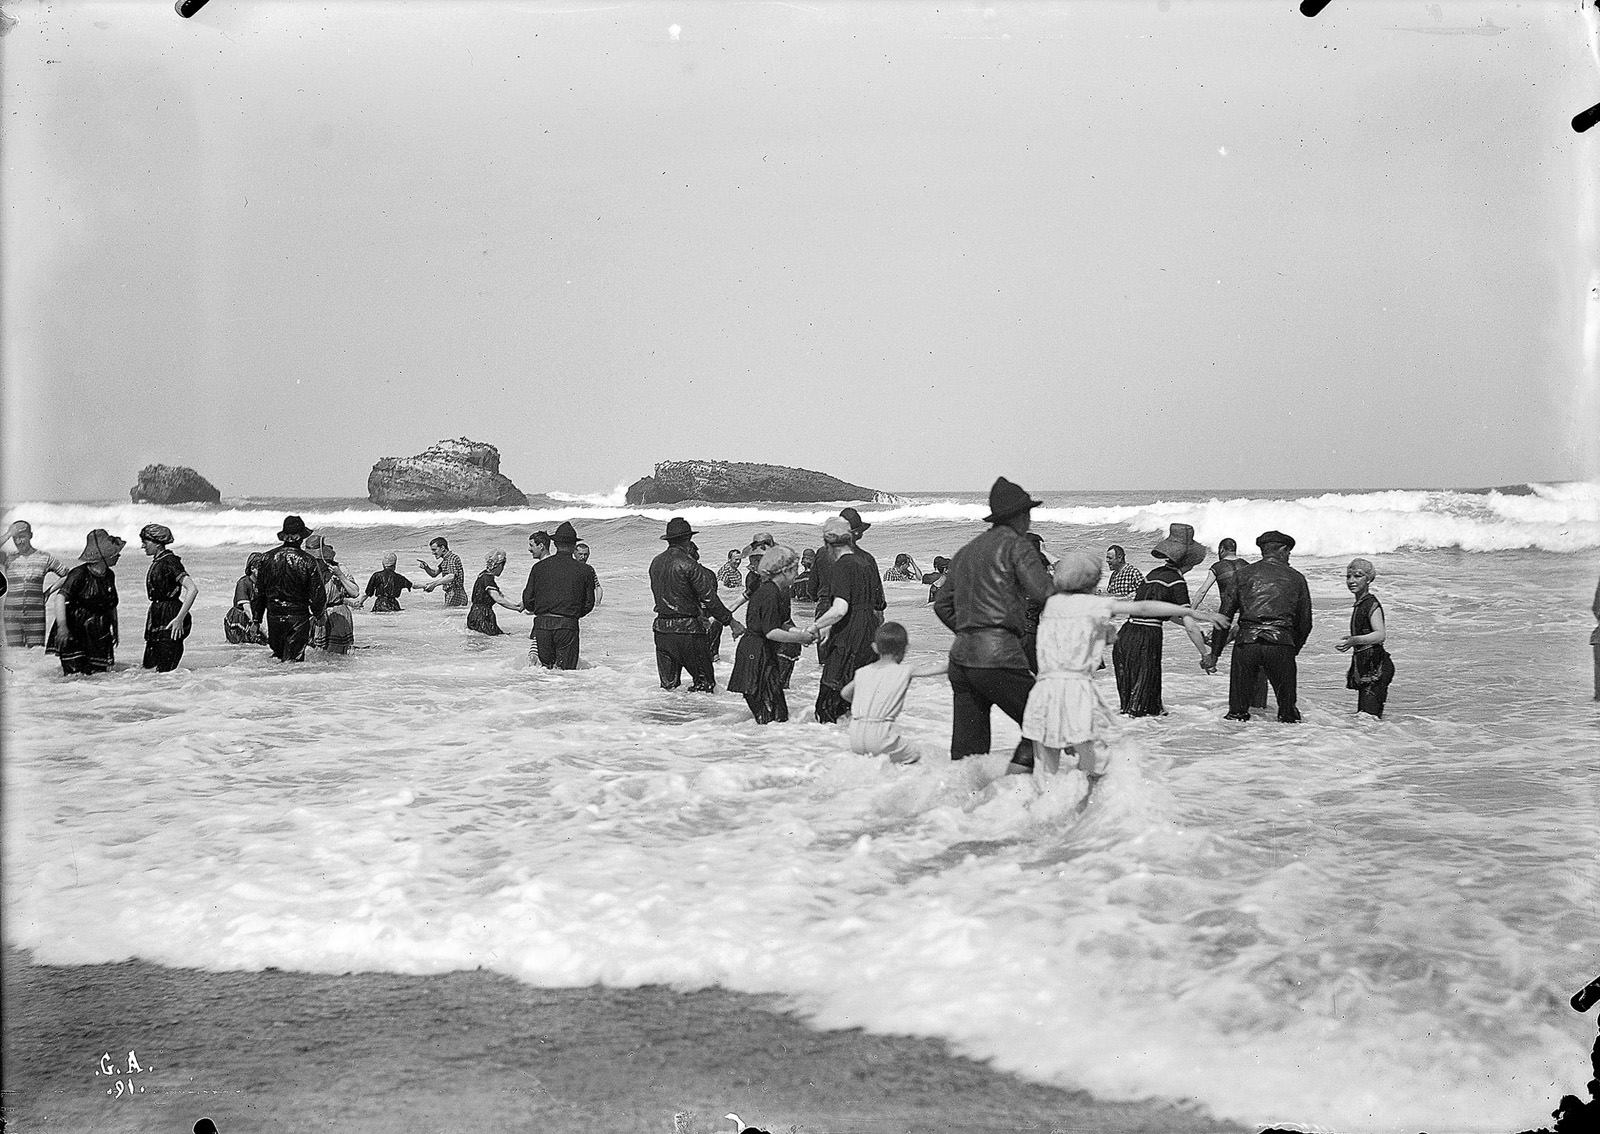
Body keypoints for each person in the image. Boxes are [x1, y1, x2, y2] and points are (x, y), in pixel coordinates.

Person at [1023, 552, 1227, 798]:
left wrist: (1102, 635)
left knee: (1047, 768)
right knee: (1094, 763)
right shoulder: (1093, 604)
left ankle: (1042, 817)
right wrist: (1196, 614)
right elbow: (1142, 607)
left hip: (1044, 689)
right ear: (1091, 582)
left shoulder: (1052, 604)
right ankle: (1083, 816)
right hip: (1074, 690)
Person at [933, 477, 1053, 772]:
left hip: (961, 659)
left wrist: (968, 631)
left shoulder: (966, 552)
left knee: (968, 756)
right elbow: (1045, 594)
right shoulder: (1018, 545)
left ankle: (958, 812)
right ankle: (1015, 785)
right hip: (999, 657)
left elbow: (941, 604)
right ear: (1022, 516)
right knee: (1048, 721)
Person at [1111, 523, 1213, 717]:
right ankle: (1145, 742)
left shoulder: (1153, 574)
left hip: (1125, 635)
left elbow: (1164, 613)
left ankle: (1122, 740)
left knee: (1129, 707)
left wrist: (1200, 633)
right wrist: (1204, 653)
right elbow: (1188, 621)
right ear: (1190, 562)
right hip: (1145, 639)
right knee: (1146, 708)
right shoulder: (1176, 581)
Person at [1221, 530, 1313, 723]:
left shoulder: (1241, 575)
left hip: (1246, 644)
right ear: (1282, 549)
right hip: (1280, 644)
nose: (1288, 556)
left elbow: (1224, 616)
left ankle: (1236, 748)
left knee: (1236, 713)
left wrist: (1214, 653)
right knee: (1288, 714)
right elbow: (1305, 623)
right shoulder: (1296, 578)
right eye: (1288, 552)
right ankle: (1288, 749)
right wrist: (1292, 648)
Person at [727, 545, 817, 724]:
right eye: (794, 568)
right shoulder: (769, 593)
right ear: (784, 571)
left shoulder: (774, 590)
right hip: (756, 656)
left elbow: (782, 624)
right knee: (771, 718)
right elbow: (771, 632)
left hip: (760, 654)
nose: (797, 571)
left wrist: (803, 632)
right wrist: (800, 638)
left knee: (777, 717)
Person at [649, 517, 736, 692]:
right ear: (688, 540)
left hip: (661, 630)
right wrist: (732, 622)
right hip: (688, 631)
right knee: (705, 685)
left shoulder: (655, 563)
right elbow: (710, 599)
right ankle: (701, 718)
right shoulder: (690, 565)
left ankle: (666, 718)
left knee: (668, 688)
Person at [841, 621, 947, 764]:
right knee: (917, 756)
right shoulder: (905, 670)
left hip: (855, 734)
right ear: (906, 648)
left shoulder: (862, 672)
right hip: (881, 735)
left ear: (875, 648)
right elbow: (941, 668)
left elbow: (845, 693)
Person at [813, 516, 884, 723]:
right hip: (869, 633)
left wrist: (816, 626)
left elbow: (840, 610)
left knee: (827, 706)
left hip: (849, 635)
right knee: (857, 701)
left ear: (827, 543)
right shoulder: (866, 561)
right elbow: (879, 602)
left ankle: (827, 748)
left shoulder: (842, 565)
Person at [251, 515, 329, 662]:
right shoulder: (308, 561)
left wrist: (256, 620)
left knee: (279, 658)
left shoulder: (266, 559)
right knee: (294, 661)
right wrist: (320, 615)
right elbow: (317, 593)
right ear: (301, 538)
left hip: (273, 617)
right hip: (298, 618)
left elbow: (259, 593)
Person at [522, 522, 598, 669]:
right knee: (566, 673)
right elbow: (589, 604)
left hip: (542, 625)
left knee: (546, 670)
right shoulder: (585, 570)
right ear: (573, 546)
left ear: (555, 544)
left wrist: (542, 610)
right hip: (567, 625)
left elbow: (528, 599)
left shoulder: (538, 568)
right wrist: (572, 614)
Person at [54, 529, 125, 675]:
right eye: (114, 553)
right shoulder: (79, 573)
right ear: (103, 556)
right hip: (76, 627)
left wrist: (115, 628)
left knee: (99, 674)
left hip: (99, 629)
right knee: (75, 675)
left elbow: (111, 604)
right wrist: (62, 627)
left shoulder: (109, 575)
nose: (118, 555)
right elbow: (60, 598)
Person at [1336, 557, 1394, 718]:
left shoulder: (1370, 603)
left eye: (1358, 576)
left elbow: (1380, 635)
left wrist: (1355, 640)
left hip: (1377, 667)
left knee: (1368, 720)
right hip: (1367, 666)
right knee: (1365, 719)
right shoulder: (1361, 603)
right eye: (1348, 576)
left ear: (1368, 579)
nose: (1351, 580)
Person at [138, 524, 198, 672]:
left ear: (157, 543)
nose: (143, 546)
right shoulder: (159, 561)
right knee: (149, 669)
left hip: (170, 616)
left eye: (145, 543)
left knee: (165, 670)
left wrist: (179, 618)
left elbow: (192, 589)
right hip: (157, 616)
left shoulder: (170, 561)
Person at [0, 520, 70, 647]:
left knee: (36, 652)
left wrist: (48, 592)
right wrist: (9, 533)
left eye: (22, 537)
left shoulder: (45, 557)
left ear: (30, 535)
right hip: (11, 613)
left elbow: (67, 575)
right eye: (15, 538)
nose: (19, 541)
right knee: (16, 653)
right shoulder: (8, 557)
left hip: (36, 612)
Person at [314, 539, 360, 654]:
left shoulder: (340, 569)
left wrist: (340, 575)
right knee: (319, 653)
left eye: (320, 560)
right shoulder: (313, 570)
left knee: (338, 653)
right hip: (320, 614)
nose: (317, 563)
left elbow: (355, 592)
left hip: (339, 614)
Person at [467, 550, 521, 635]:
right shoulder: (488, 578)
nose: (502, 569)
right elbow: (498, 598)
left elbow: (501, 595)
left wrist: (517, 604)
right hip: (483, 615)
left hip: (475, 613)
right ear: (498, 565)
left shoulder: (483, 575)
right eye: (503, 566)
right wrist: (517, 608)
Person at [224, 553, 268, 644]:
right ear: (252, 569)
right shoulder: (243, 583)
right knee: (245, 645)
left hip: (253, 619)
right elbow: (247, 608)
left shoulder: (263, 584)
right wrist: (261, 627)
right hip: (238, 619)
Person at [418, 537, 468, 607]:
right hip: (453, 594)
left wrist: (434, 584)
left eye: (434, 550)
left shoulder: (452, 558)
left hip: (455, 594)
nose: (433, 553)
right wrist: (426, 567)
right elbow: (434, 574)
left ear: (442, 548)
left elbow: (451, 576)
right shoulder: (446, 560)